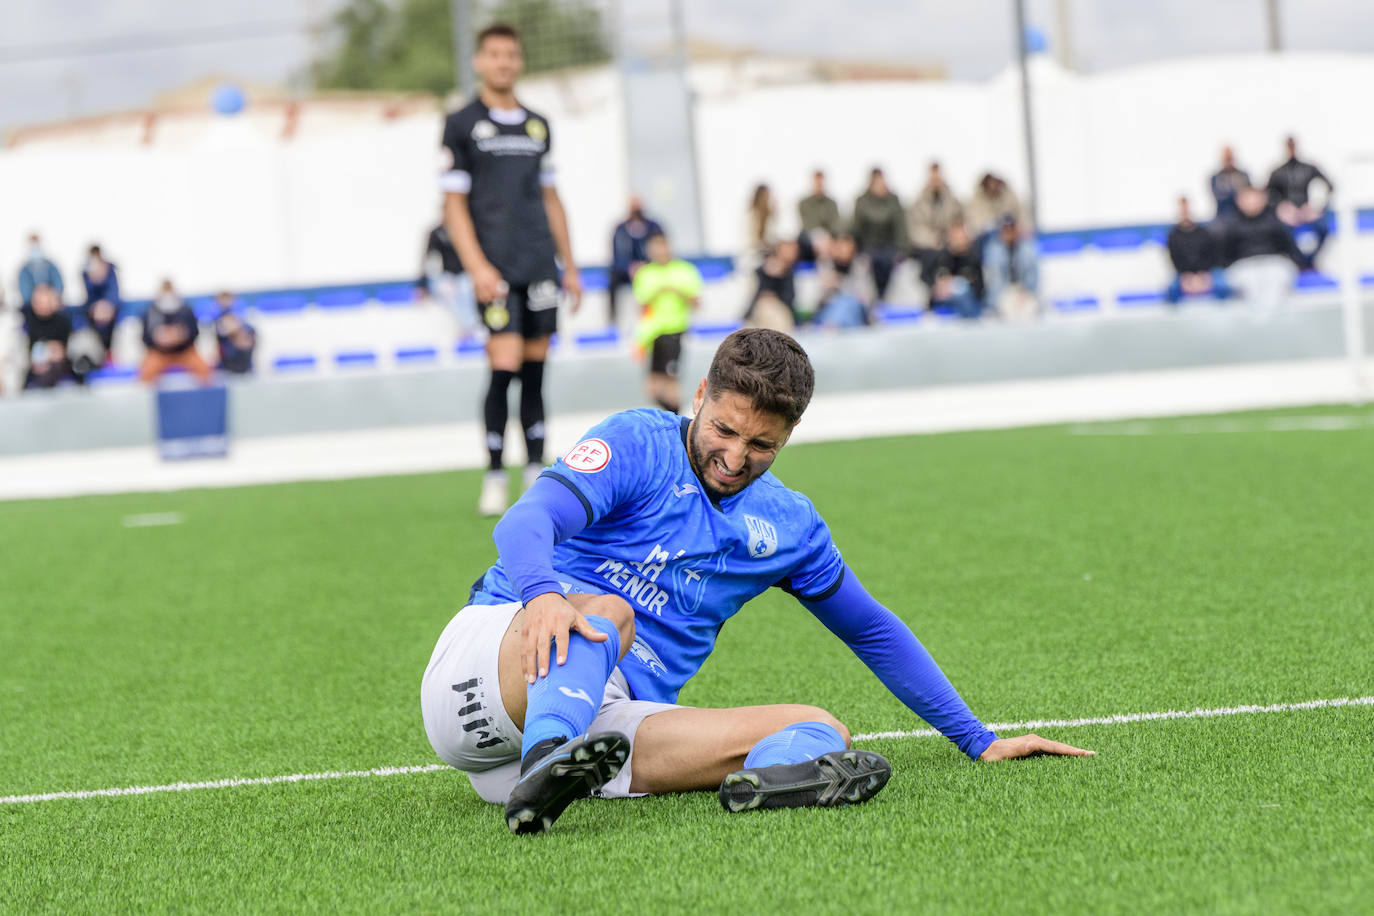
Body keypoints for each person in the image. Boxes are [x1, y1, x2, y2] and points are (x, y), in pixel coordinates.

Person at [419, 328, 1094, 836]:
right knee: (610, 614)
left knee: (819, 727)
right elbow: (527, 521)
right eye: (724, 430)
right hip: (492, 669)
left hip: (600, 729)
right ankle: (548, 756)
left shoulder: (790, 526)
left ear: (789, 435)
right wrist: (543, 597)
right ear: (699, 396)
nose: (734, 458)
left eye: (761, 445)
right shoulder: (638, 441)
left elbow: (870, 629)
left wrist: (978, 739)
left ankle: (757, 785)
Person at [439, 22, 582, 517]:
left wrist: (570, 266)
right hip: (495, 270)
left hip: (539, 263)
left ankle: (536, 474)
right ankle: (496, 474)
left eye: (511, 55)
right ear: (479, 62)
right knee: (504, 368)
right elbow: (453, 205)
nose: (503, 62)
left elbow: (551, 198)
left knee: (536, 373)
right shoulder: (461, 124)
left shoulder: (538, 125)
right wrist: (477, 266)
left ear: (519, 62)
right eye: (494, 54)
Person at [631, 231, 702, 414]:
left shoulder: (684, 270)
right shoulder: (645, 273)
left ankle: (677, 422)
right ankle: (674, 417)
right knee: (652, 388)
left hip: (674, 331)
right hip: (653, 333)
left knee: (671, 383)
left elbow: (696, 302)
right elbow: (642, 306)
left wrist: (677, 291)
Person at [1220, 184, 1305, 315]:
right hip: (1244, 266)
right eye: (1247, 198)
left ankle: (1273, 319)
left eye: (1255, 198)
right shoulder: (1230, 225)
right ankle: (1259, 321)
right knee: (1250, 283)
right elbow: (1224, 254)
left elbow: (1290, 248)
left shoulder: (1275, 221)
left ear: (1263, 199)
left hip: (1273, 263)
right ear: (1238, 201)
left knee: (1276, 280)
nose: (1252, 202)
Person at [1266, 135, 1333, 262]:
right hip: (1287, 214)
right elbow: (1268, 196)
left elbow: (1330, 186)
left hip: (1306, 210)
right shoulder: (1277, 172)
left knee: (1323, 227)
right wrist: (1281, 208)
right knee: (1276, 231)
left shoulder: (1308, 168)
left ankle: (1310, 260)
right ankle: (1294, 260)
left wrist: (1317, 206)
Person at [139, 279, 213, 384]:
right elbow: (145, 338)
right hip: (159, 353)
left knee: (204, 370)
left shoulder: (186, 310)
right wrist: (157, 338)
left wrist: (182, 335)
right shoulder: (150, 311)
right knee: (146, 373)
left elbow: (195, 333)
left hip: (184, 352)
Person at [850, 168, 907, 301]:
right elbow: (856, 228)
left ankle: (885, 299)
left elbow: (901, 228)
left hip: (889, 245)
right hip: (868, 246)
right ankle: (874, 300)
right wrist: (857, 250)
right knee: (869, 265)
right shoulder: (862, 201)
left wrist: (903, 249)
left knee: (889, 263)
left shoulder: (893, 201)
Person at [418, 220, 480, 343]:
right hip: (448, 276)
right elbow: (428, 258)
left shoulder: (467, 229)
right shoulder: (437, 232)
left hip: (466, 274)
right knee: (447, 291)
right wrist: (422, 284)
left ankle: (469, 327)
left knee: (466, 288)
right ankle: (466, 328)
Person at [1165, 197, 1232, 305]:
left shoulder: (1205, 232)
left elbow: (1212, 255)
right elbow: (1175, 259)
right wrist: (1188, 276)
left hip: (1208, 270)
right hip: (1184, 272)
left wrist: (1203, 274)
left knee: (1222, 286)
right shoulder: (1173, 235)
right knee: (1172, 290)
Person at [609, 196, 663, 328]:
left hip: (650, 267)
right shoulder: (620, 229)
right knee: (612, 279)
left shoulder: (654, 227)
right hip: (627, 271)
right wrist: (629, 267)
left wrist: (646, 265)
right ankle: (613, 319)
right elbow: (617, 256)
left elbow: (661, 247)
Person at [921, 220, 985, 319]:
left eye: (962, 238)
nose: (959, 242)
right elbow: (925, 276)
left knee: (960, 287)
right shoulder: (940, 257)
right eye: (956, 238)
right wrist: (936, 287)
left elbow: (979, 288)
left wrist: (954, 284)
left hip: (966, 304)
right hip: (941, 301)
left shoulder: (973, 259)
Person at [982, 215, 1039, 320]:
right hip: (1003, 292)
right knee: (1007, 308)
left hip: (1023, 291)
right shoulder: (993, 251)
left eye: (1011, 229)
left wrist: (1025, 292)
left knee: (1030, 309)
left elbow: (1032, 275)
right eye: (1006, 230)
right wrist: (1006, 296)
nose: (1009, 233)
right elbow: (994, 281)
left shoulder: (1027, 249)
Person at [811, 233, 871, 329]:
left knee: (847, 303)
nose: (843, 251)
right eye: (840, 247)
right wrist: (828, 288)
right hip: (829, 311)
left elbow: (867, 297)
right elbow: (817, 299)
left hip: (855, 313)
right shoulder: (824, 265)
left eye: (847, 247)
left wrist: (839, 284)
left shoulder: (860, 266)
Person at [21, 283, 72, 389]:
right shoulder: (25, 320)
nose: (43, 305)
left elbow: (63, 350)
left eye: (46, 301)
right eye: (39, 302)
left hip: (56, 367)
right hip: (30, 366)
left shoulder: (62, 322)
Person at [906, 161, 964, 250]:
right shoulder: (918, 203)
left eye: (938, 176)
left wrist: (954, 237)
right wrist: (933, 240)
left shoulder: (952, 201)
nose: (936, 179)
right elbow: (915, 230)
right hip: (927, 246)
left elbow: (959, 222)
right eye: (933, 176)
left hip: (949, 245)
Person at [743, 240, 798, 331]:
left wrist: (781, 275)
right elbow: (757, 294)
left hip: (781, 309)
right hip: (763, 308)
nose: (791, 253)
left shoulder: (788, 272)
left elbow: (790, 296)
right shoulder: (762, 270)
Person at [81, 245, 121, 356]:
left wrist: (107, 306)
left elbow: (114, 291)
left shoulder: (110, 269)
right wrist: (94, 279)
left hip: (110, 307)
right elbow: (89, 294)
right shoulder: (86, 272)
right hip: (94, 309)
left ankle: (111, 352)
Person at [965, 173, 1027, 240]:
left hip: (1012, 235)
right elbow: (976, 223)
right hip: (986, 237)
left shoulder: (1008, 196)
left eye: (995, 184)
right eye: (990, 184)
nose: (993, 186)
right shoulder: (976, 200)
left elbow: (1021, 215)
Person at [796, 170, 841, 262]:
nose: (819, 185)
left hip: (829, 237)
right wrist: (820, 237)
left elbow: (835, 223)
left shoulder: (831, 203)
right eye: (817, 182)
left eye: (821, 182)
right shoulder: (804, 203)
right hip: (809, 236)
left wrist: (829, 237)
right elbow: (808, 223)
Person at [213, 292, 257, 374]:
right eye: (223, 300)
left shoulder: (241, 318)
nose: (225, 302)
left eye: (228, 299)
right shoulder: (218, 321)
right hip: (227, 364)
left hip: (243, 363)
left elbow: (251, 333)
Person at [17, 234, 63, 308]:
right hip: (32, 307)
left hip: (52, 305)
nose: (35, 249)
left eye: (37, 246)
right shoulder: (25, 270)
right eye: (32, 246)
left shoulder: (50, 266)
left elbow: (58, 284)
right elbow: (24, 290)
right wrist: (36, 299)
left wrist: (51, 297)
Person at [1210, 146, 1250, 223]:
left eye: (1230, 158)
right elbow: (1219, 197)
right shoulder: (1216, 177)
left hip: (1243, 217)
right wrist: (1238, 195)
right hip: (1223, 216)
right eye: (1226, 158)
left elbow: (1249, 195)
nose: (1229, 161)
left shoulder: (1243, 175)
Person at [743, 184, 777, 268]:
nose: (768, 199)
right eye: (766, 196)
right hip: (754, 253)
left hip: (767, 251)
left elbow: (772, 236)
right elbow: (751, 241)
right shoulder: (751, 215)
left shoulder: (769, 215)